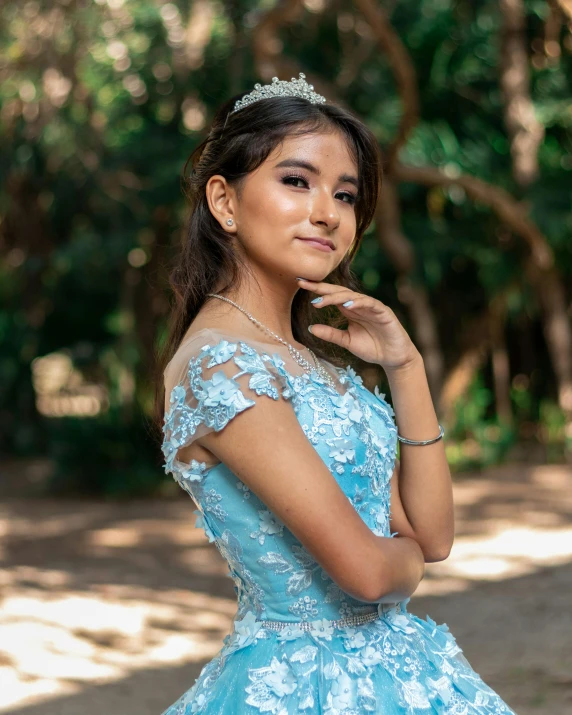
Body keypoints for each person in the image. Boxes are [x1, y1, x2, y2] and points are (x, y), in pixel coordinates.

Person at [157, 74, 518, 714]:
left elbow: (431, 535)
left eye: (345, 194)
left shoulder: (307, 360)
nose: (328, 212)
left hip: (401, 672)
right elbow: (370, 575)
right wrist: (398, 561)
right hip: (305, 687)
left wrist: (404, 367)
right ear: (225, 201)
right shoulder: (223, 368)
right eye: (297, 181)